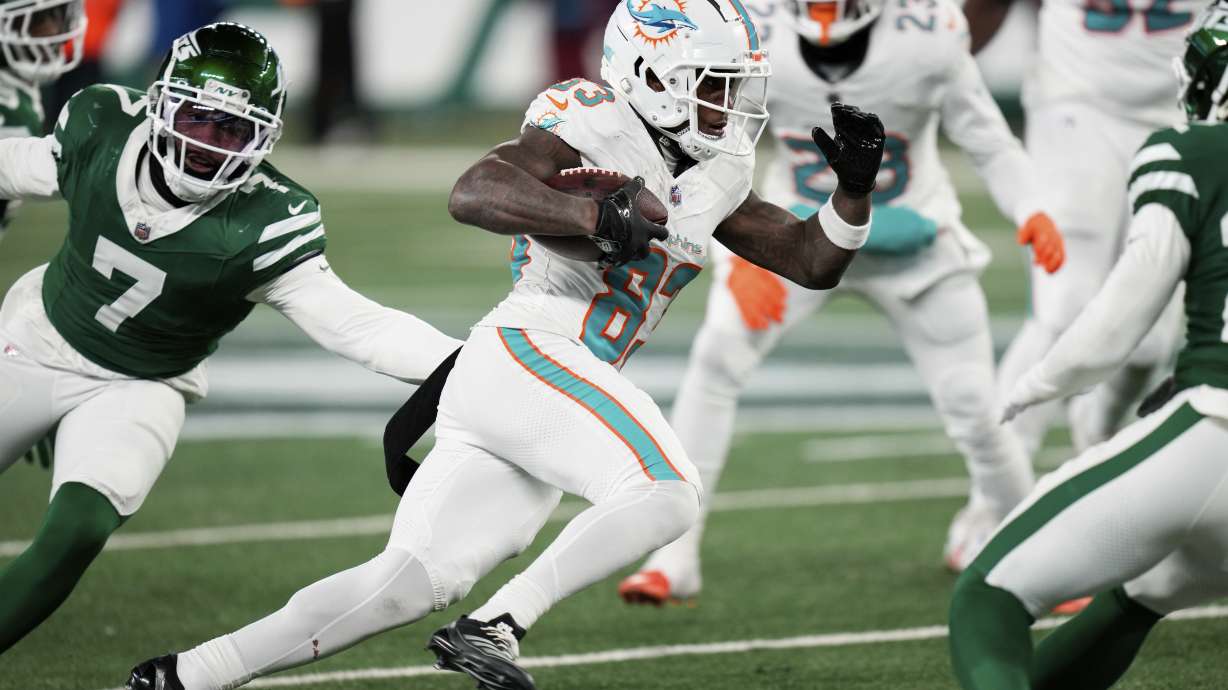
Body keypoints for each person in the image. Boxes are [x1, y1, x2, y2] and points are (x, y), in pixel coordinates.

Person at [124, 3, 885, 689]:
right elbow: (474, 191)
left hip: (543, 386)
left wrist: (852, 193)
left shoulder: (718, 169)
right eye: (714, 85)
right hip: (531, 346)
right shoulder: (588, 117)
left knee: (405, 583)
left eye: (734, 86)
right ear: (652, 74)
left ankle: (183, 677)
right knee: (666, 488)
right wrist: (592, 218)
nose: (729, 105)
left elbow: (809, 260)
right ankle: (498, 624)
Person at [0, 22, 461, 656]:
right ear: (162, 104)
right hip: (36, 338)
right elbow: (16, 165)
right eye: (198, 119)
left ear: (263, 138)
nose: (210, 145)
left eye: (233, 130)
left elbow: (359, 326)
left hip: (139, 386)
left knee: (78, 529)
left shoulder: (267, 221)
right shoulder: (101, 126)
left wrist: (470, 365)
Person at [619, 0, 1063, 606]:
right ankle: (675, 555)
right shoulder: (755, 32)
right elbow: (712, 148)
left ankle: (1038, 556)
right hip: (795, 233)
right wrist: (736, 254)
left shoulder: (929, 33)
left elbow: (988, 139)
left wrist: (1032, 207)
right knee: (717, 358)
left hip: (915, 242)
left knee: (973, 404)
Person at [949, 3, 1228, 687]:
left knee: (988, 601)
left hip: (1214, 427)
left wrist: (1041, 382)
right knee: (1152, 587)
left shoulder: (1190, 149)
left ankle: (1100, 461)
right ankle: (992, 499)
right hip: (1081, 100)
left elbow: (1123, 311)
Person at [966, 0, 1200, 459]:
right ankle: (993, 490)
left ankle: (1096, 436)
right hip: (1076, 102)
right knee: (1065, 304)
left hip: (1183, 114)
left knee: (1149, 343)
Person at [0, 0, 86, 245]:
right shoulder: (13, 107)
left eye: (55, 16)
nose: (51, 31)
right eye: (38, 20)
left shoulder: (15, 103)